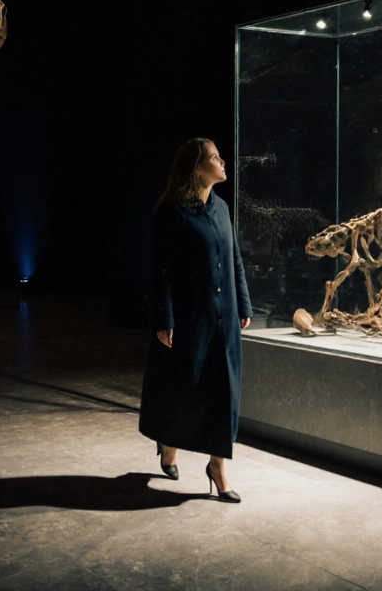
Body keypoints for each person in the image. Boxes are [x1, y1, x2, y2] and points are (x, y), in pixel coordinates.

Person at [139, 137, 251, 503]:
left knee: (225, 392)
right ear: (197, 168)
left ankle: (217, 466)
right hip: (191, 318)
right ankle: (169, 442)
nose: (222, 163)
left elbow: (234, 260)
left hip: (226, 319)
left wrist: (244, 306)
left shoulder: (221, 209)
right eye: (215, 158)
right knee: (182, 388)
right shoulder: (172, 212)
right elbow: (160, 272)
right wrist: (163, 317)